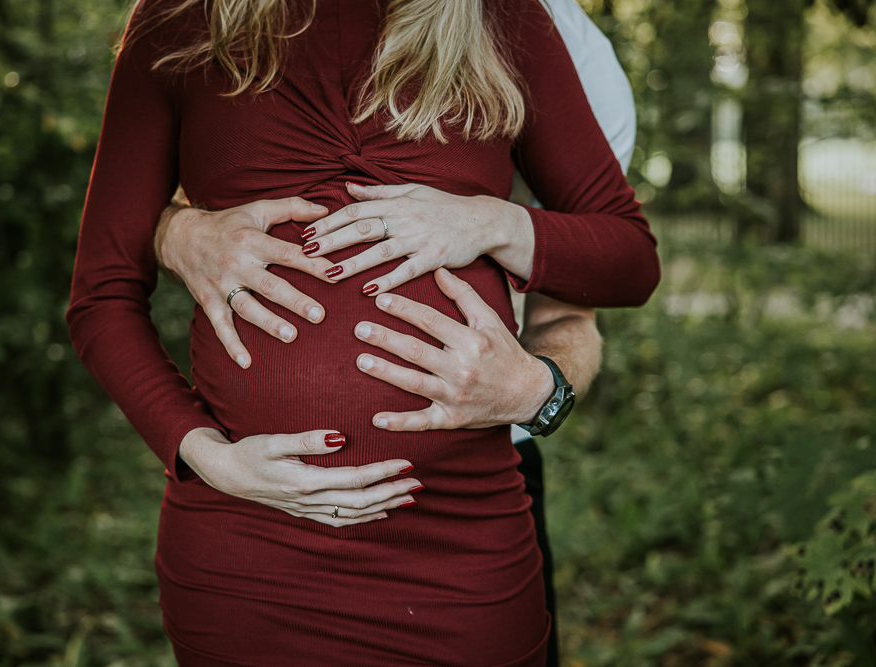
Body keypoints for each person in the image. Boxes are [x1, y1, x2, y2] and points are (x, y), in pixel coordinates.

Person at [66, 0, 658, 664]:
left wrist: (494, 223)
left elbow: (627, 262)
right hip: (248, 557)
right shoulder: (183, 16)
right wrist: (203, 453)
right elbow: (101, 294)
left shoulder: (504, 17)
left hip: (461, 548)